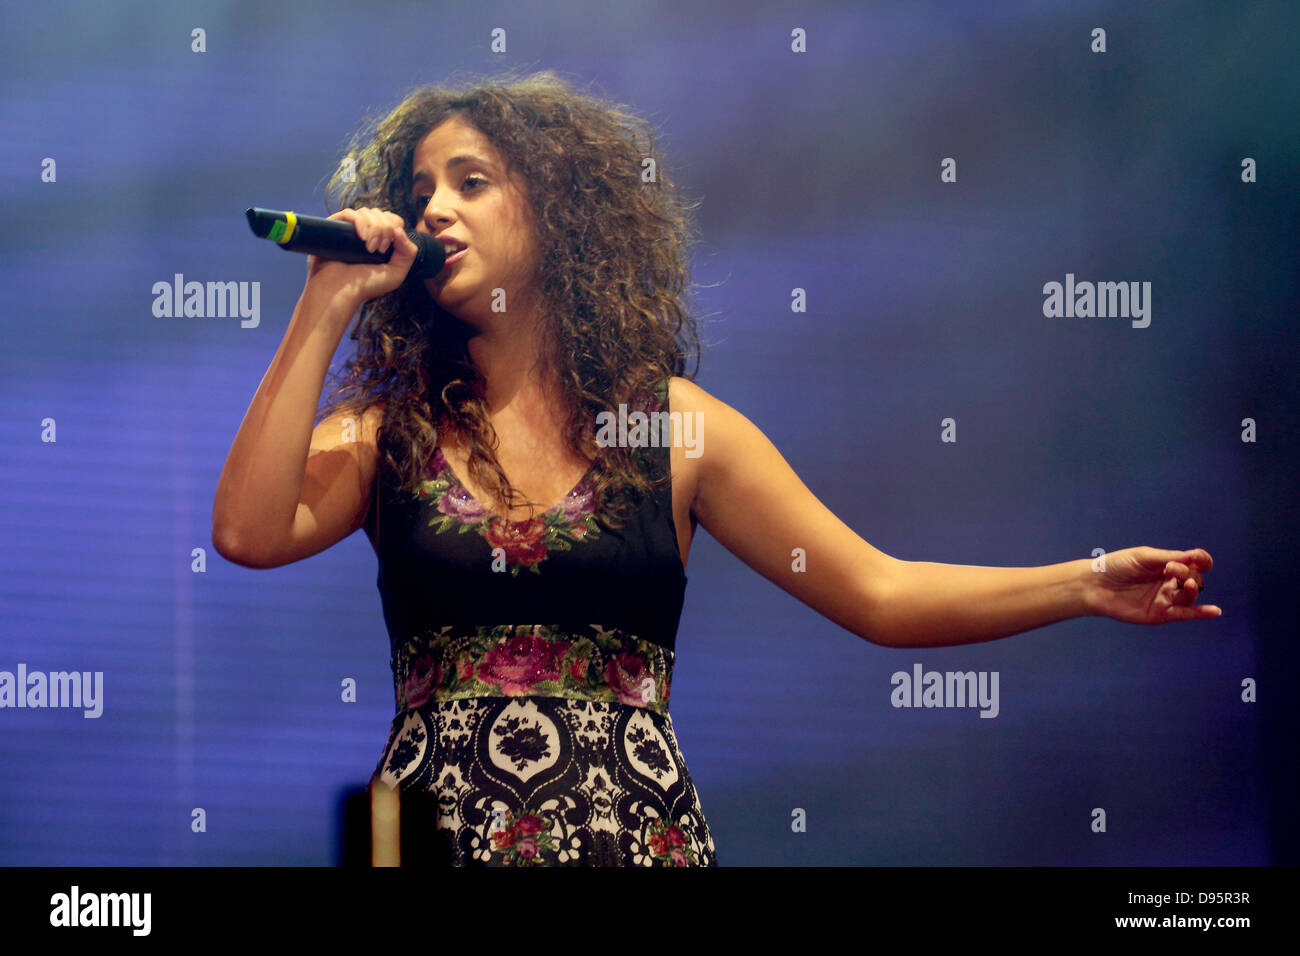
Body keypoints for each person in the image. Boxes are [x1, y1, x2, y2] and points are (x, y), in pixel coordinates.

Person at [211, 71, 1219, 868]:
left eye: (470, 182)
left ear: (555, 212)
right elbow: (248, 533)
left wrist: (1083, 582)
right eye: (419, 190)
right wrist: (325, 301)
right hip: (433, 833)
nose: (434, 210)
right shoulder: (389, 430)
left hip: (628, 837)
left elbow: (879, 590)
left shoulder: (674, 431)